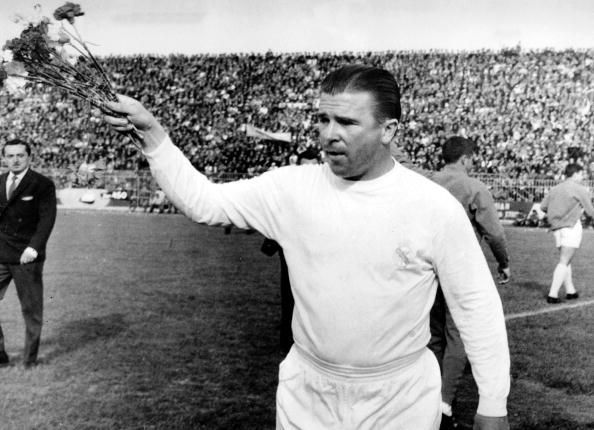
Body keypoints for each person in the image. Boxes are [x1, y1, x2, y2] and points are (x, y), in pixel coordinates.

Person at [103, 64, 510, 430]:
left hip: (400, 396)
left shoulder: (433, 206)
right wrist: (154, 135)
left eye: (347, 122)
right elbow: (204, 202)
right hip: (308, 391)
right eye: (323, 118)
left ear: (389, 130)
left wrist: (492, 402)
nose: (329, 134)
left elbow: (476, 305)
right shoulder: (291, 188)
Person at [428, 136, 511, 429]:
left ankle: (427, 400)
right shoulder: (474, 187)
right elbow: (494, 233)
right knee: (457, 336)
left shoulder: (425, 182)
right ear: (465, 159)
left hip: (425, 268)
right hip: (459, 268)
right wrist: (504, 263)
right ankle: (444, 405)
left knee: (432, 335)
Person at [0, 138, 57, 368]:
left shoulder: (41, 184)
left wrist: (34, 248)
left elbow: (47, 219)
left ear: (29, 157)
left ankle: (29, 360)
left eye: (19, 155)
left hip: (27, 256)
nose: (14, 160)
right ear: (4, 158)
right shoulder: (0, 181)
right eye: (10, 155)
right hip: (1, 253)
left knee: (31, 310)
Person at [261, 147, 320, 355]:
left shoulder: (327, 194)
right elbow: (279, 218)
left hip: (321, 258)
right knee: (291, 298)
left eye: (312, 169)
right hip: (293, 257)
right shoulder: (290, 195)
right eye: (304, 169)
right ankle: (289, 343)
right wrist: (272, 241)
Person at [540, 163, 594, 304]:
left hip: (556, 228)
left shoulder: (555, 188)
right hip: (571, 226)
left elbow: (543, 206)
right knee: (564, 261)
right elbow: (590, 211)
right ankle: (553, 294)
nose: (583, 177)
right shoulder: (580, 189)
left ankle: (570, 291)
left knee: (566, 259)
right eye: (582, 174)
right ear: (575, 174)